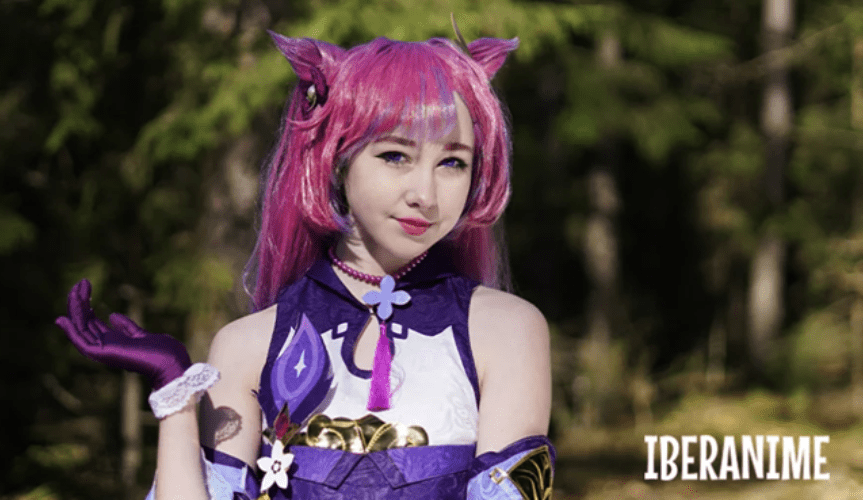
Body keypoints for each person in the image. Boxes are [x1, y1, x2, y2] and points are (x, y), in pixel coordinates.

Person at [56, 28, 554, 500]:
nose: (425, 194)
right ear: (336, 160)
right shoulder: (247, 345)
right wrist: (176, 398)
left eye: (453, 162)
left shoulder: (506, 331)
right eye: (395, 156)